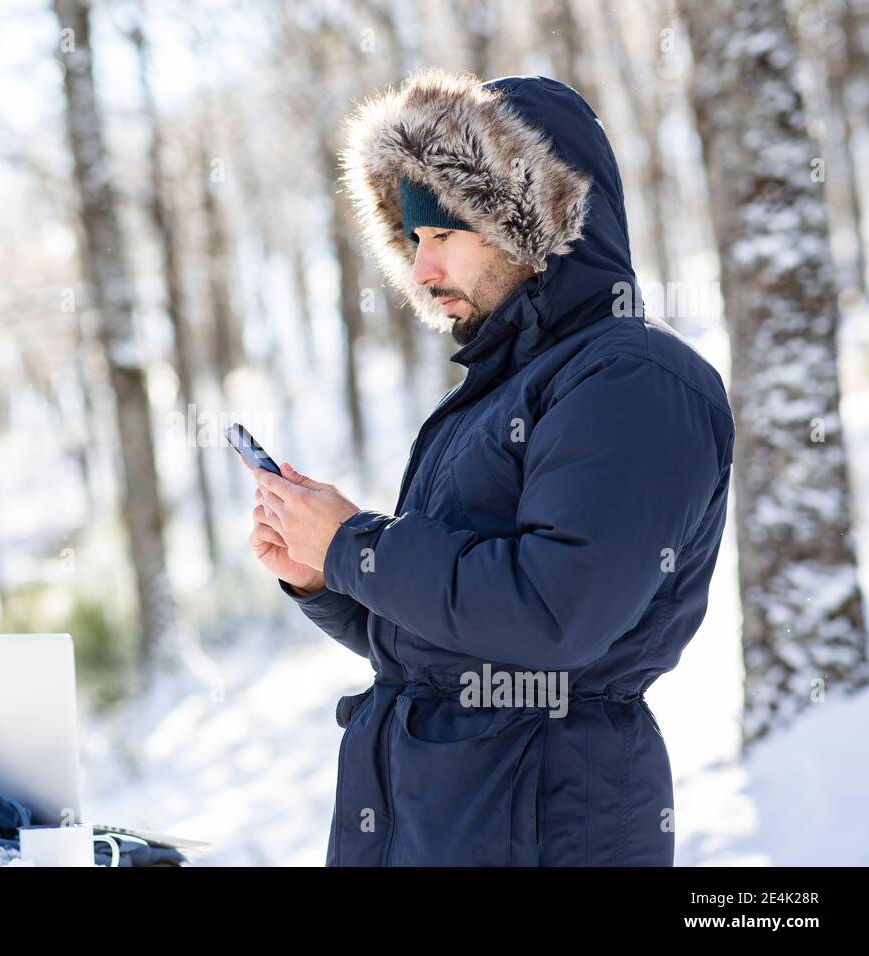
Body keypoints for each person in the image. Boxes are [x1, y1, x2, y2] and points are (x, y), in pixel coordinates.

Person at [244, 70, 735, 866]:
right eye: (413, 241)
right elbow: (440, 644)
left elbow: (554, 616)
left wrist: (354, 542)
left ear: (528, 221)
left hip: (544, 819)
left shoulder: (634, 379)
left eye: (443, 235)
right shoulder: (491, 394)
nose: (421, 270)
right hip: (434, 819)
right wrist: (323, 573)